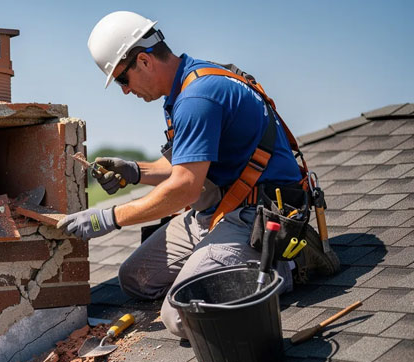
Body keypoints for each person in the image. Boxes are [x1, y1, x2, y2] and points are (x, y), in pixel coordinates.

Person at [57, 11, 339, 338]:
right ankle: (218, 262)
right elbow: (187, 165)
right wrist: (134, 171)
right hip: (216, 213)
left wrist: (108, 218)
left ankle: (285, 265)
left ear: (144, 61)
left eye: (122, 79)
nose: (125, 91)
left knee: (181, 317)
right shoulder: (181, 91)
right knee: (136, 279)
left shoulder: (197, 98)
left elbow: (186, 188)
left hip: (257, 217)